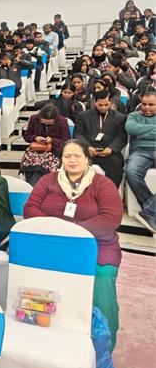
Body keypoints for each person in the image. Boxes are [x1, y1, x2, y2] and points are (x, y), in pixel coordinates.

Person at [23, 140, 123, 351]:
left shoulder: (102, 184)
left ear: (87, 158)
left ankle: (103, 346)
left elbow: (111, 219)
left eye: (77, 156)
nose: (72, 160)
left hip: (96, 245)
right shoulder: (48, 180)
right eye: (67, 156)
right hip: (54, 241)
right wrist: (56, 229)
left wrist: (73, 231)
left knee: (102, 279)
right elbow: (30, 208)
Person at [73, 90, 127, 188]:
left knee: (116, 165)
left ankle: (109, 192)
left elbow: (121, 137)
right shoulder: (83, 116)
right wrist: (87, 147)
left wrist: (111, 149)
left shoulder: (120, 118)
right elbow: (78, 134)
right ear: (95, 102)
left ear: (111, 102)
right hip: (88, 151)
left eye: (106, 104)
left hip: (108, 152)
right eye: (100, 105)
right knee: (75, 163)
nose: (103, 107)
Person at [124, 90, 156, 232]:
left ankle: (149, 211)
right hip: (140, 151)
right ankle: (151, 210)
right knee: (131, 171)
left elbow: (137, 132)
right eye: (144, 104)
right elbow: (131, 129)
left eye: (151, 105)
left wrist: (141, 134)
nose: (146, 107)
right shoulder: (134, 116)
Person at [20, 104, 71, 186]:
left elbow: (66, 140)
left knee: (43, 163)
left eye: (50, 122)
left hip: (54, 149)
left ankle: (37, 186)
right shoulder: (34, 118)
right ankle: (32, 184)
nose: (46, 123)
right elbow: (27, 136)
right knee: (31, 161)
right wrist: (35, 137)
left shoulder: (62, 121)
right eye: (43, 121)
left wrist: (52, 140)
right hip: (36, 149)